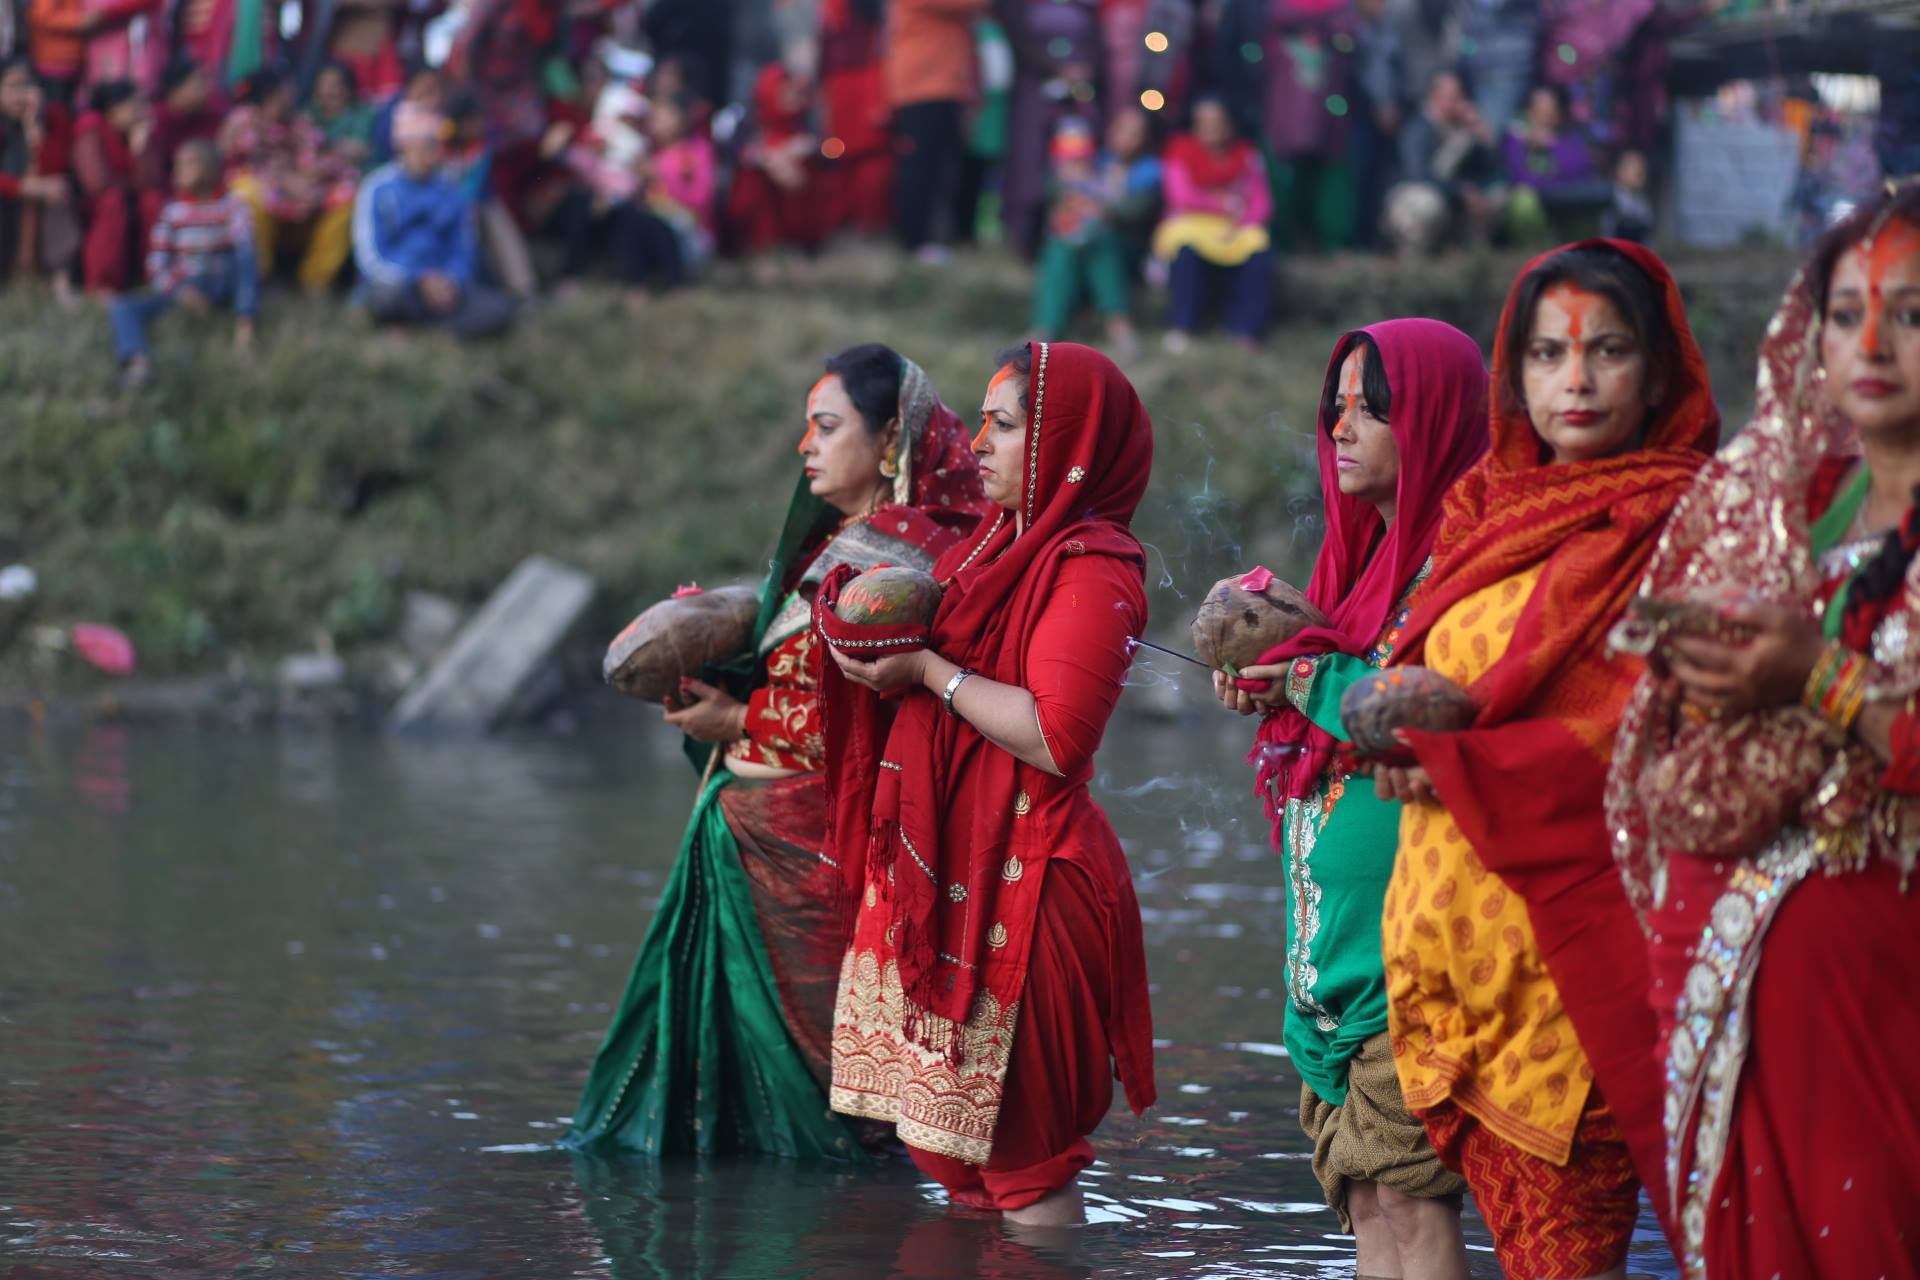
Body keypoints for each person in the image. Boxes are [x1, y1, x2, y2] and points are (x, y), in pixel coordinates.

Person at [1373, 240, 1718, 1279]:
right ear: (1512, 373)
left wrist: (1461, 769)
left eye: (1607, 351)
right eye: (1548, 353)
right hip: (1449, 947)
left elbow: (1661, 730)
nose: (1575, 380)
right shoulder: (1483, 509)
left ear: (1658, 370)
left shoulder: (1693, 520)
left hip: (1579, 959)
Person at [565, 344, 989, 1158]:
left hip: (821, 857)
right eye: (808, 429)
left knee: (833, 1100)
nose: (808, 446)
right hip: (746, 844)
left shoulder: (917, 559)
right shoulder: (831, 546)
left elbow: (869, 721)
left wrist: (736, 725)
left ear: (891, 437)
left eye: (827, 427)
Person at [1608, 181, 1920, 1279]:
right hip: (1736, 979)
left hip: (1890, 990)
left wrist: (1814, 677)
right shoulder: (1791, 503)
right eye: (1845, 313)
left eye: (1912, 313)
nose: (1872, 341)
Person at [818, 341, 1157, 1224]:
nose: (976, 443)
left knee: (1024, 1163)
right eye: (980, 422)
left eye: (1003, 426)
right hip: (966, 862)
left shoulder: (1092, 563)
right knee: (962, 1165)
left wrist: (929, 672)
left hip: (1030, 884)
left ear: (1067, 447)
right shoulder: (994, 549)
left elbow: (1056, 735)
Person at [1212, 320, 1489, 1277]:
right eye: (1336, 408)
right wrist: (1272, 689)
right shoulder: (1357, 567)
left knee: (1414, 1210)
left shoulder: (1465, 572)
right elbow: (1332, 704)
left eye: (1375, 408)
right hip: (1330, 958)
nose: (1344, 427)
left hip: (1409, 954)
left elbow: (1427, 716)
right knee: (1369, 1205)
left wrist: (1303, 680)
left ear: (1443, 420)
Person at [352, 101, 513, 339]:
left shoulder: (451, 188)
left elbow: (464, 247)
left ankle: (413, 327)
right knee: (385, 298)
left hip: (446, 286)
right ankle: (435, 326)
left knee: (500, 310)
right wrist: (418, 280)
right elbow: (370, 257)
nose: (435, 153)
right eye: (427, 146)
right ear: (404, 147)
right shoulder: (377, 188)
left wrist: (452, 281)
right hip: (400, 285)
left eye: (437, 146)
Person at [109, 136, 254, 386]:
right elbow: (156, 263)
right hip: (186, 286)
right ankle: (138, 363)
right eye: (177, 165)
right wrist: (179, 290)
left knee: (246, 256)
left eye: (189, 164)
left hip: (222, 281)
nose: (178, 171)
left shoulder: (232, 206)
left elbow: (244, 247)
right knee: (122, 305)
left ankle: (245, 323)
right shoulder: (172, 212)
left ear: (211, 169)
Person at [219, 67, 356, 293]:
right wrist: (284, 181)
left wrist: (310, 177)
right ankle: (258, 277)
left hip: (302, 199)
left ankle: (315, 281)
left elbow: (316, 156)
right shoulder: (242, 121)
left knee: (346, 195)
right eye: (284, 90)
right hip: (267, 198)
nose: (290, 94)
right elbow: (244, 164)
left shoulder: (297, 121)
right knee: (246, 191)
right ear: (269, 95)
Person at [1153, 96, 1271, 352]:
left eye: (1217, 122)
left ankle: (1246, 329)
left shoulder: (1246, 154)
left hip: (1235, 226)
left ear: (1230, 125)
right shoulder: (1180, 149)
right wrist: (1222, 204)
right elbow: (1180, 195)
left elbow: (1261, 200)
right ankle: (1182, 325)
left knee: (1258, 250)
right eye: (1203, 123)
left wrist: (1243, 222)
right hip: (1191, 223)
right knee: (1186, 252)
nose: (1210, 128)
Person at [1028, 117, 1140, 355]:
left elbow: (1128, 210)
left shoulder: (1114, 169)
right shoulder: (1060, 175)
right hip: (1071, 237)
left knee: (1100, 248)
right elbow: (1051, 202)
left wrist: (1102, 205)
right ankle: (1047, 327)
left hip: (1116, 240)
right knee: (1062, 246)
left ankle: (1117, 323)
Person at [885, 0, 985, 261]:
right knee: (922, 166)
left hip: (942, 83)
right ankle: (914, 241)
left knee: (941, 166)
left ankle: (936, 236)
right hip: (924, 86)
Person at [725, 61, 825, 282]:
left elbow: (834, 148)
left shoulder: (805, 122)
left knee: (808, 174)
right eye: (785, 93)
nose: (792, 99)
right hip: (765, 182)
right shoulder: (750, 122)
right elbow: (736, 151)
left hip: (797, 187)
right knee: (752, 181)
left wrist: (806, 148)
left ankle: (800, 248)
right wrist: (769, 160)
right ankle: (761, 252)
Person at [1385, 68, 1503, 254]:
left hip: (1454, 199)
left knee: (1497, 197)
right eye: (1451, 96)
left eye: (1459, 96)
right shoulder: (1417, 128)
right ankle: (1412, 257)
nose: (1457, 102)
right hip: (1412, 199)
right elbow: (1417, 173)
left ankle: (1471, 257)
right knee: (1427, 203)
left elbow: (1490, 171)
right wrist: (1460, 192)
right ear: (1435, 96)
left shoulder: (1464, 129)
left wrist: (1481, 136)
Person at [0, 53, 76, 291]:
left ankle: (59, 280)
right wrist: (25, 187)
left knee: (58, 191)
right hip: (9, 199)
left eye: (27, 85)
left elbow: (57, 169)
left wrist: (35, 132)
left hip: (35, 200)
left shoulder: (52, 116)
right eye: (13, 86)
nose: (21, 94)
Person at [71, 76, 153, 293]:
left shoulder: (137, 133)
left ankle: (152, 274)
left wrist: (140, 150)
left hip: (124, 196)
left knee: (152, 202)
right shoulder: (91, 127)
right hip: (89, 202)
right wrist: (131, 183)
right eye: (134, 104)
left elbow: (151, 183)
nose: (141, 111)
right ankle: (101, 283)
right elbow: (96, 183)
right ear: (113, 109)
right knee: (112, 202)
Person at [1504, 84, 1608, 244]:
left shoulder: (1570, 137)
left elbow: (1581, 170)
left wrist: (1552, 145)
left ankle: (1580, 254)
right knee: (1522, 200)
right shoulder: (1516, 139)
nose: (1544, 118)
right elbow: (1518, 177)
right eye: (1538, 111)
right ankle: (1530, 251)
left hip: (1567, 201)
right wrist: (1549, 182)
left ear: (1558, 114)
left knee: (1587, 210)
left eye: (1549, 112)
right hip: (1540, 201)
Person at [643, 91, 713, 279]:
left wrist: (661, 178)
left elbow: (700, 199)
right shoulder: (647, 153)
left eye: (662, 116)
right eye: (652, 117)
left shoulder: (697, 152)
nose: (654, 123)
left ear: (682, 119)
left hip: (689, 236)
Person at [306, 59, 376, 171]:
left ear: (348, 89)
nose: (328, 91)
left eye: (335, 85)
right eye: (323, 84)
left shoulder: (362, 114)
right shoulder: (310, 112)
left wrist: (322, 144)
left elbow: (357, 150)